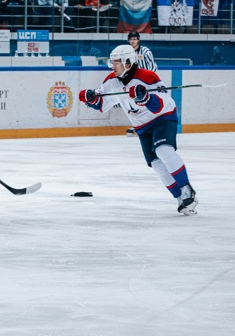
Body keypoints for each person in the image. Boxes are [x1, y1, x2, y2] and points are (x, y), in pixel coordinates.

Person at [78, 44, 197, 215]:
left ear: (127, 62)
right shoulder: (111, 81)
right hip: (142, 126)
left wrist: (145, 97)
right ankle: (181, 198)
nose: (112, 66)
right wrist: (90, 98)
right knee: (156, 164)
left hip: (162, 118)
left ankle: (187, 189)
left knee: (163, 150)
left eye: (116, 62)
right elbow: (103, 103)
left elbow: (161, 104)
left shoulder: (147, 77)